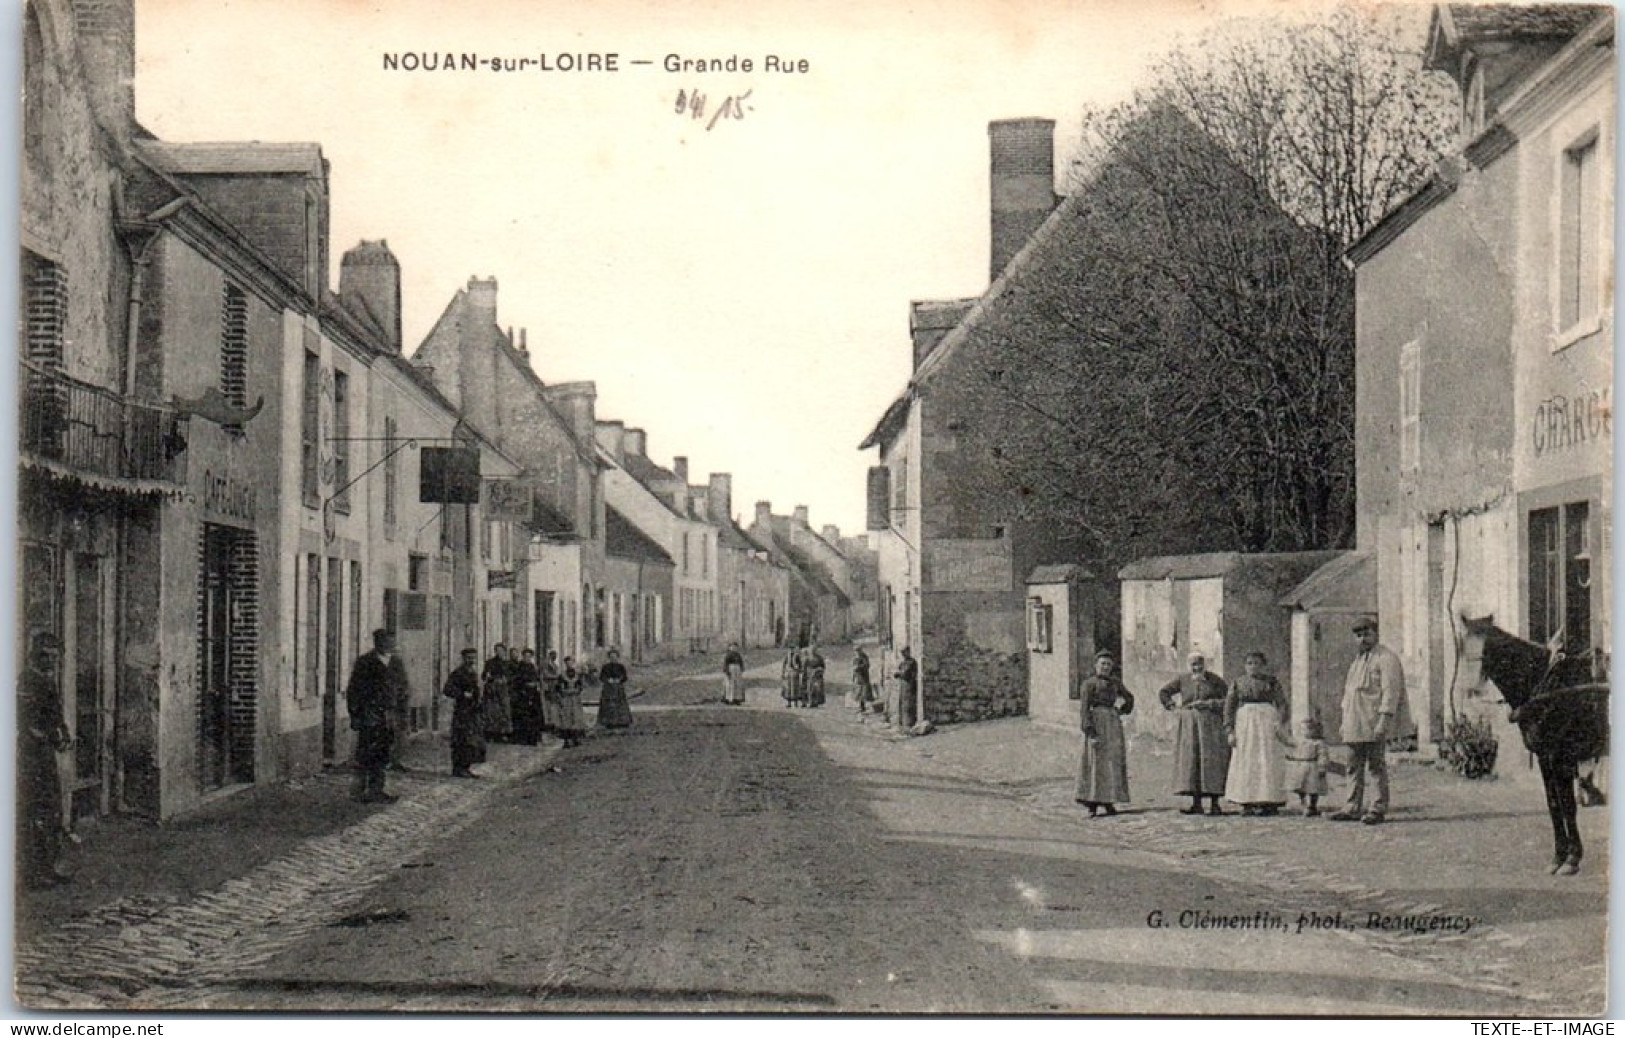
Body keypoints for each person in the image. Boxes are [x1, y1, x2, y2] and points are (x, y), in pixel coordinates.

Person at [1331, 615, 1407, 825]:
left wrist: (1384, 720)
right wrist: (1344, 722)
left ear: (1376, 634)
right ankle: (1352, 806)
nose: (1362, 639)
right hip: (1354, 723)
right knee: (1353, 767)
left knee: (1375, 767)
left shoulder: (1386, 658)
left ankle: (1377, 807)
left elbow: (1391, 692)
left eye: (1366, 634)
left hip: (1373, 722)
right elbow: (1349, 695)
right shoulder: (1357, 661)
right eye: (1358, 635)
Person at [19, 631, 72, 888]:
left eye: (54, 657)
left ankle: (48, 867)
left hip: (46, 754)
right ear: (35, 655)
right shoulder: (27, 681)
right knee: (36, 811)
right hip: (32, 755)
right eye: (46, 657)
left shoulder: (47, 681)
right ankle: (34, 872)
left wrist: (63, 732)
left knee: (51, 811)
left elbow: (55, 716)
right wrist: (51, 737)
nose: (50, 662)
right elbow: (29, 725)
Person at [1159, 651, 1230, 816]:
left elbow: (1228, 700)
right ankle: (1196, 803)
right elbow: (1164, 692)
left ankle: (1215, 804)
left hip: (1211, 726)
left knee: (1211, 763)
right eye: (1193, 664)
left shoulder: (1215, 680)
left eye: (1199, 664)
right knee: (1192, 761)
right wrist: (1172, 707)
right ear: (1189, 666)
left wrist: (1209, 704)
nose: (1197, 667)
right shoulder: (1183, 680)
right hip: (1190, 725)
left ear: (1204, 665)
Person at [1223, 651, 1290, 816]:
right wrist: (1230, 730)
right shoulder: (1238, 683)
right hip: (1246, 723)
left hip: (1267, 721)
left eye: (1257, 663)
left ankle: (1270, 800)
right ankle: (1247, 800)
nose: (1253, 667)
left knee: (1268, 759)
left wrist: (1280, 722)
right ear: (1245, 666)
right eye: (1250, 663)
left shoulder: (1271, 682)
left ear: (1263, 666)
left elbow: (1282, 703)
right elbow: (1229, 708)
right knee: (1248, 759)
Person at [1075, 650, 1135, 818]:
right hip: (1097, 724)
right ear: (1096, 666)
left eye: (1108, 664)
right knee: (1095, 764)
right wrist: (1090, 732)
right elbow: (1084, 710)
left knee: (1112, 763)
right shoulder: (1088, 684)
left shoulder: (1115, 683)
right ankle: (1092, 804)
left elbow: (1129, 698)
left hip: (1112, 724)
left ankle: (1109, 802)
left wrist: (1122, 710)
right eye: (1102, 664)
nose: (1105, 667)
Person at [345, 629, 402, 803]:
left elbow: (402, 687)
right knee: (365, 752)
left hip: (387, 715)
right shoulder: (365, 662)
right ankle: (359, 791)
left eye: (392, 641)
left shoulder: (395, 663)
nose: (389, 645)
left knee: (382, 752)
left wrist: (399, 711)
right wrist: (355, 714)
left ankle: (377, 789)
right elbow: (354, 690)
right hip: (369, 713)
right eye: (385, 641)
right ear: (377, 642)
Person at [443, 647, 484, 777]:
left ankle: (466, 767)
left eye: (473, 657)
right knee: (461, 740)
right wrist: (462, 694)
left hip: (473, 711)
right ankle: (458, 768)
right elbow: (447, 689)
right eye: (468, 657)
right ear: (463, 658)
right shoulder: (458, 673)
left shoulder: (473, 672)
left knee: (471, 741)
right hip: (462, 711)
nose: (471, 660)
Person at [1286, 717, 1331, 817]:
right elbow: (1287, 742)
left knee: (1313, 788)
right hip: (1301, 766)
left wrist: (1322, 767)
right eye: (1302, 730)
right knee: (1300, 786)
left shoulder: (1318, 743)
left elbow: (1323, 755)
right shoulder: (1299, 741)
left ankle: (1312, 805)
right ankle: (1303, 802)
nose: (1304, 732)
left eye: (1307, 729)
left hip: (1313, 767)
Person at [510, 649, 544, 746]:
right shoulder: (519, 667)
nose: (527, 658)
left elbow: (536, 678)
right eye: (525, 656)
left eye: (529, 656)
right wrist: (525, 685)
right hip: (522, 694)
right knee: (522, 716)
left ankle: (533, 737)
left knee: (534, 715)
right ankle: (522, 738)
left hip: (533, 694)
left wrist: (536, 684)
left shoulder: (533, 667)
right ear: (523, 657)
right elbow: (516, 680)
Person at [386, 649, 412, 773]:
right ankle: (390, 760)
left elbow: (405, 692)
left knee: (399, 735)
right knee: (391, 735)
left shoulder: (402, 681)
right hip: (391, 710)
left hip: (400, 710)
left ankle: (395, 760)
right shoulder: (388, 680)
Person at [482, 644, 513, 743]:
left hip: (504, 689)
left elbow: (512, 677)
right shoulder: (490, 662)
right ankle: (491, 733)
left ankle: (503, 733)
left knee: (504, 710)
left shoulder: (507, 664)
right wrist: (488, 677)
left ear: (504, 652)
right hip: (492, 689)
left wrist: (506, 680)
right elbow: (484, 676)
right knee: (492, 711)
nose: (499, 652)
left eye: (501, 651)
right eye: (497, 650)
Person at [596, 648, 633, 729]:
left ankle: (622, 721)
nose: (613, 658)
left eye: (615, 657)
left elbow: (625, 677)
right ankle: (608, 721)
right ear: (609, 658)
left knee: (620, 703)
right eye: (611, 657)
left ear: (617, 657)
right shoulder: (605, 667)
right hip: (608, 689)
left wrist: (619, 679)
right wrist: (608, 680)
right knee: (608, 704)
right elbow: (601, 677)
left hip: (618, 688)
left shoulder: (621, 666)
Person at [556, 656, 587, 747]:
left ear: (573, 663)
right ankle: (566, 740)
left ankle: (576, 739)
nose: (569, 664)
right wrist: (563, 693)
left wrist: (577, 690)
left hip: (575, 699)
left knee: (576, 717)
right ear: (565, 664)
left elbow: (581, 686)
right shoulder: (562, 675)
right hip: (566, 699)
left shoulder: (577, 675)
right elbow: (559, 688)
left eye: (571, 662)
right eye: (567, 663)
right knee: (566, 718)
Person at [894, 647, 919, 729]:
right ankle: (902, 723)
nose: (903, 655)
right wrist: (897, 674)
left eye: (904, 652)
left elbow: (910, 675)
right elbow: (899, 670)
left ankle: (910, 723)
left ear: (908, 652)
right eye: (902, 653)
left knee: (909, 704)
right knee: (902, 704)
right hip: (903, 685)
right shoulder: (902, 663)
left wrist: (901, 674)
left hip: (910, 685)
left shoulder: (912, 662)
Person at [540, 649, 562, 735]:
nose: (554, 657)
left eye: (555, 655)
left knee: (554, 705)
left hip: (554, 687)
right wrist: (555, 676)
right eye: (552, 655)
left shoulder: (555, 665)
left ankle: (553, 723)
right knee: (547, 705)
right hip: (548, 686)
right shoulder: (545, 664)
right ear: (549, 655)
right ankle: (548, 723)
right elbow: (544, 675)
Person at [850, 646, 874, 714]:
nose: (857, 652)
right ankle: (861, 707)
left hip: (864, 676)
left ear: (861, 650)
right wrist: (853, 676)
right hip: (858, 677)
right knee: (858, 692)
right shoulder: (855, 658)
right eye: (855, 651)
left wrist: (859, 667)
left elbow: (867, 665)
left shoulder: (864, 657)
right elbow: (853, 668)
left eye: (858, 650)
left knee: (864, 692)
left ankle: (864, 707)